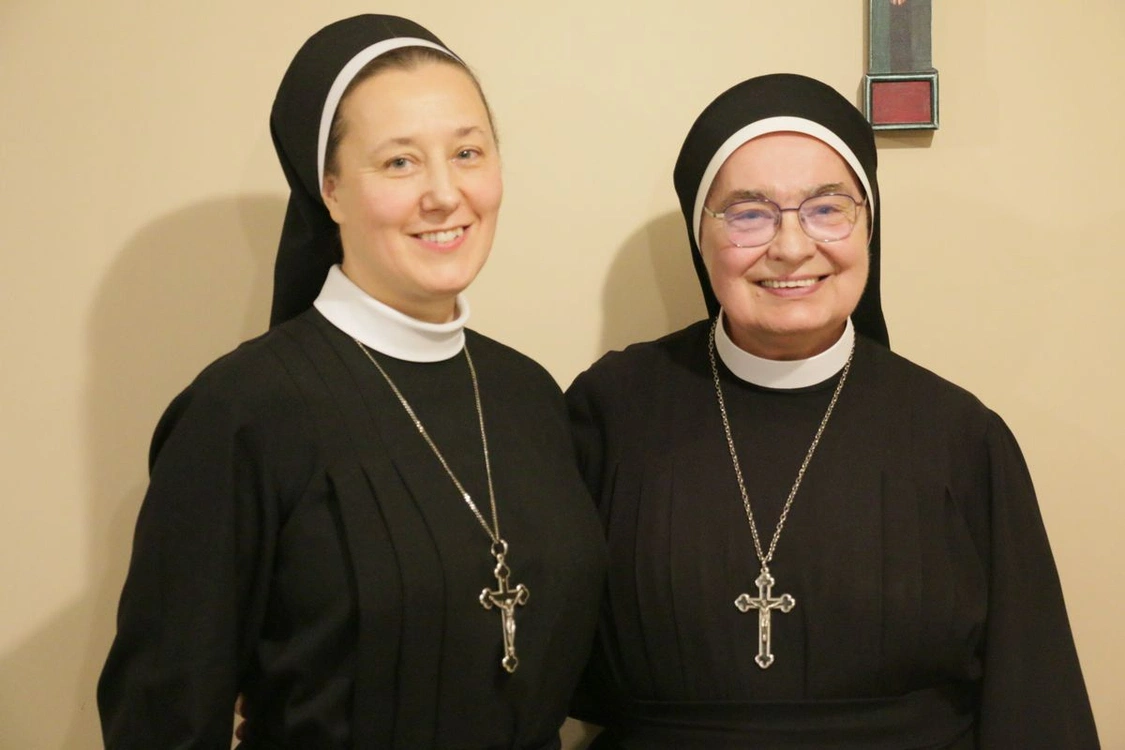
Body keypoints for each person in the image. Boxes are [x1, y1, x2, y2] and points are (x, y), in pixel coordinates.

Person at [97, 15, 605, 748]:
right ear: (329, 190)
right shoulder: (241, 412)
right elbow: (162, 718)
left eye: (467, 152)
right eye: (399, 162)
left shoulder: (530, 395)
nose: (444, 193)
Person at [566, 73, 1099, 748]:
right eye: (748, 213)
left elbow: (1032, 691)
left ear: (869, 227)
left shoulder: (959, 435)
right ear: (700, 237)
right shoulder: (612, 411)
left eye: (826, 208)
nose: (791, 246)